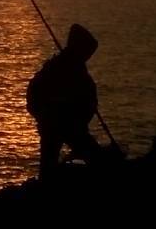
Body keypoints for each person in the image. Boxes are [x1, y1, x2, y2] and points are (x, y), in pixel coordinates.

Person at [26, 23, 106, 180]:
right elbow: (34, 94)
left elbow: (88, 100)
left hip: (70, 126)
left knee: (50, 165)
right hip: (60, 125)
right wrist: (42, 116)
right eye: (87, 52)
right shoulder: (59, 69)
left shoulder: (75, 70)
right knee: (94, 160)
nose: (88, 56)